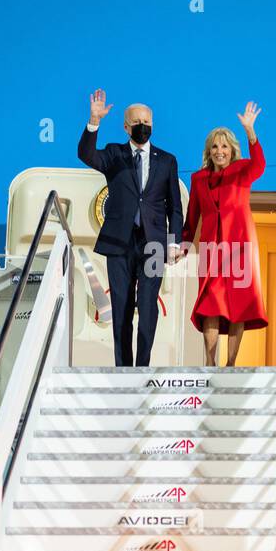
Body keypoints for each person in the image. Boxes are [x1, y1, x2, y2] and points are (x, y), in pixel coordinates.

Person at [77, 89, 184, 367]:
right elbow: (87, 155)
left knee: (148, 308)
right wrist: (93, 122)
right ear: (126, 126)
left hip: (154, 245)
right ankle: (123, 371)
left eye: (147, 122)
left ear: (153, 125)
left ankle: (142, 369)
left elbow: (174, 205)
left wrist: (174, 242)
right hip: (118, 243)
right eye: (137, 123)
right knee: (122, 309)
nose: (142, 127)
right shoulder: (114, 154)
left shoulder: (167, 160)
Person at [181, 101, 269, 366]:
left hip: (240, 247)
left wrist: (250, 131)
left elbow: (260, 164)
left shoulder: (243, 171)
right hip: (211, 249)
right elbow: (192, 218)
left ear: (232, 150)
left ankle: (230, 364)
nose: (220, 151)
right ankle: (210, 363)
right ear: (209, 151)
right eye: (215, 146)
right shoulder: (198, 179)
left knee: (238, 305)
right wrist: (183, 246)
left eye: (225, 146)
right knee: (210, 304)